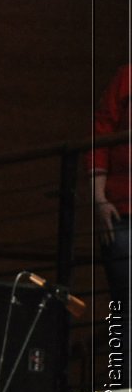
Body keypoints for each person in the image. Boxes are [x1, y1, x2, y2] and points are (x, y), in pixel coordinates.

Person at [89, 64, 131, 317]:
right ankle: (121, 359)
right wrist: (99, 198)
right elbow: (100, 134)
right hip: (123, 212)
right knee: (125, 308)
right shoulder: (128, 76)